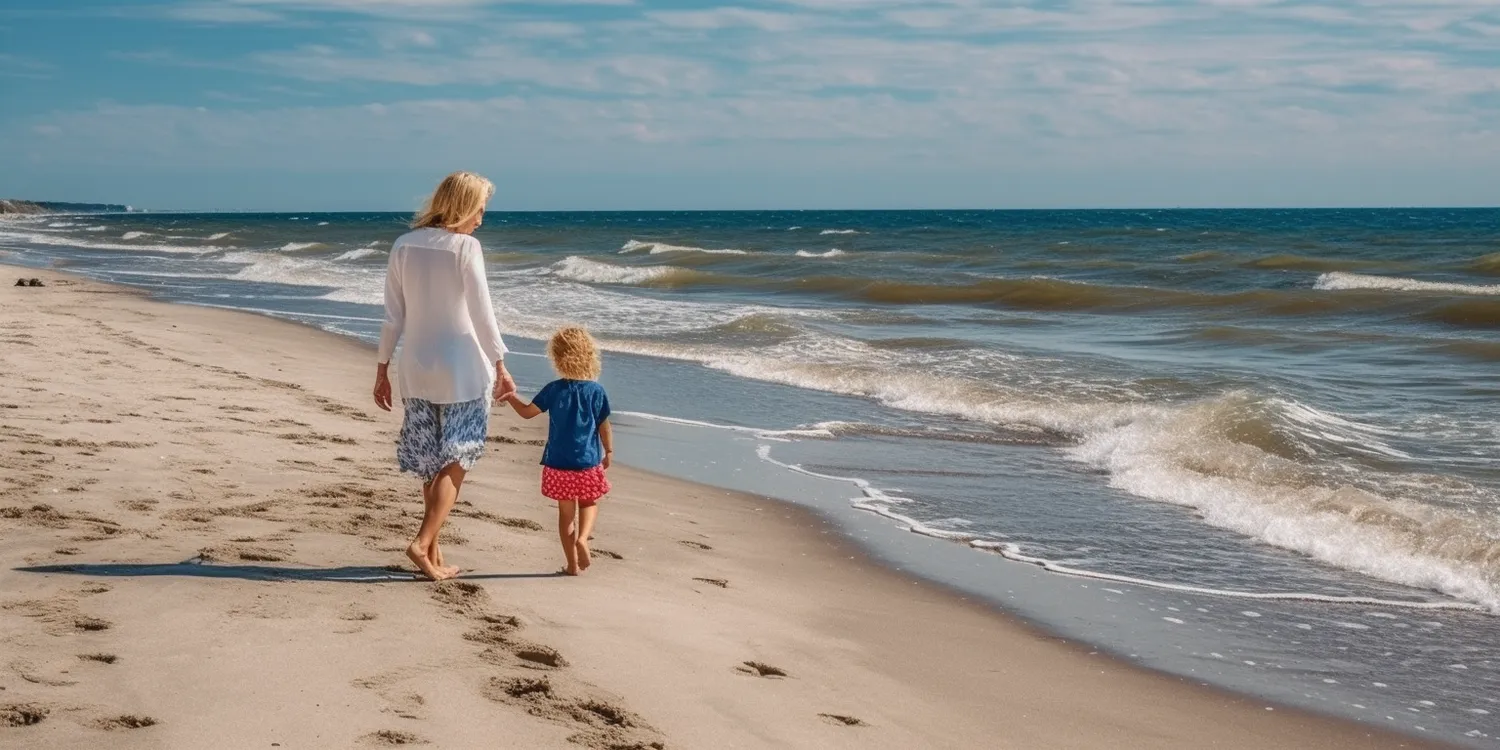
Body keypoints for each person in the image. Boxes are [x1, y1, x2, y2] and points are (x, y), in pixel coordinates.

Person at [372, 171, 515, 581]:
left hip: (415, 368)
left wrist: (381, 367)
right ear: (465, 207)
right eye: (481, 210)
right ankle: (421, 543)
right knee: (460, 457)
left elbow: (392, 316)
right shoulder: (465, 247)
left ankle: (433, 556)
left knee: (433, 463)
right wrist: (501, 364)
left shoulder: (403, 245)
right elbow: (482, 315)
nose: (482, 220)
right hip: (462, 369)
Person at [501, 326, 613, 576]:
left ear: (557, 358)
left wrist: (511, 397)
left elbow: (528, 412)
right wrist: (609, 451)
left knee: (565, 516)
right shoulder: (596, 392)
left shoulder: (554, 389)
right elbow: (605, 426)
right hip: (587, 462)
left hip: (558, 463)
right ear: (589, 355)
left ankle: (572, 565)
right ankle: (584, 539)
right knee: (588, 503)